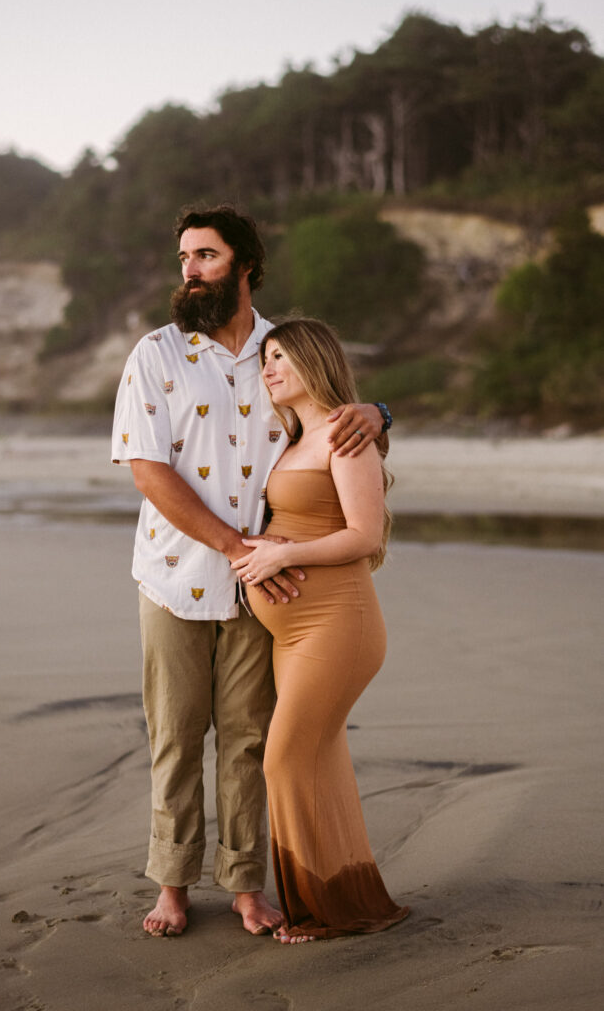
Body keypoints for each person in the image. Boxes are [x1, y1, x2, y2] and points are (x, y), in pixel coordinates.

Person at [111, 205, 391, 937]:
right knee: (174, 735)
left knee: (246, 739)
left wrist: (375, 409)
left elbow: (333, 412)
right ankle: (171, 885)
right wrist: (239, 548)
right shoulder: (156, 354)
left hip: (264, 591)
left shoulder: (282, 351)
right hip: (176, 574)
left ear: (244, 264)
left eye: (204, 255)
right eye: (182, 258)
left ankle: (244, 888)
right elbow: (148, 470)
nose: (189, 270)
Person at [232, 316, 409, 943]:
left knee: (284, 760)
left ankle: (315, 909)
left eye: (282, 356)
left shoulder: (342, 432)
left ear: (315, 361)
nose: (269, 368)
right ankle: (347, 899)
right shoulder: (291, 439)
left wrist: (281, 556)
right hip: (295, 631)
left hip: (338, 623)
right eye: (265, 359)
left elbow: (365, 533)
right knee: (321, 759)